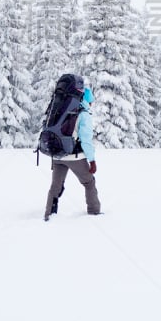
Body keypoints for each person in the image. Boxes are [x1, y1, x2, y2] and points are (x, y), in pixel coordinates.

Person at [44, 86, 100, 221]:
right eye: (91, 100)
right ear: (87, 100)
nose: (91, 103)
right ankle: (94, 212)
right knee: (89, 182)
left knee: (55, 186)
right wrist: (92, 161)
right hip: (74, 156)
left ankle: (48, 215)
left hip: (57, 155)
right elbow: (86, 140)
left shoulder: (62, 109)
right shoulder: (83, 114)